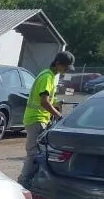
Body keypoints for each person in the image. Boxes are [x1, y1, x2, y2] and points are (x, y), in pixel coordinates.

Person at [18, 51, 75, 187]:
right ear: (57, 64)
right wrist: (58, 114)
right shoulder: (47, 77)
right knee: (33, 154)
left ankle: (29, 181)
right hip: (36, 119)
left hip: (37, 119)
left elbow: (47, 99)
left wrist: (57, 102)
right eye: (65, 67)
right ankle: (23, 183)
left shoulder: (48, 75)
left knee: (38, 153)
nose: (66, 70)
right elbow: (43, 101)